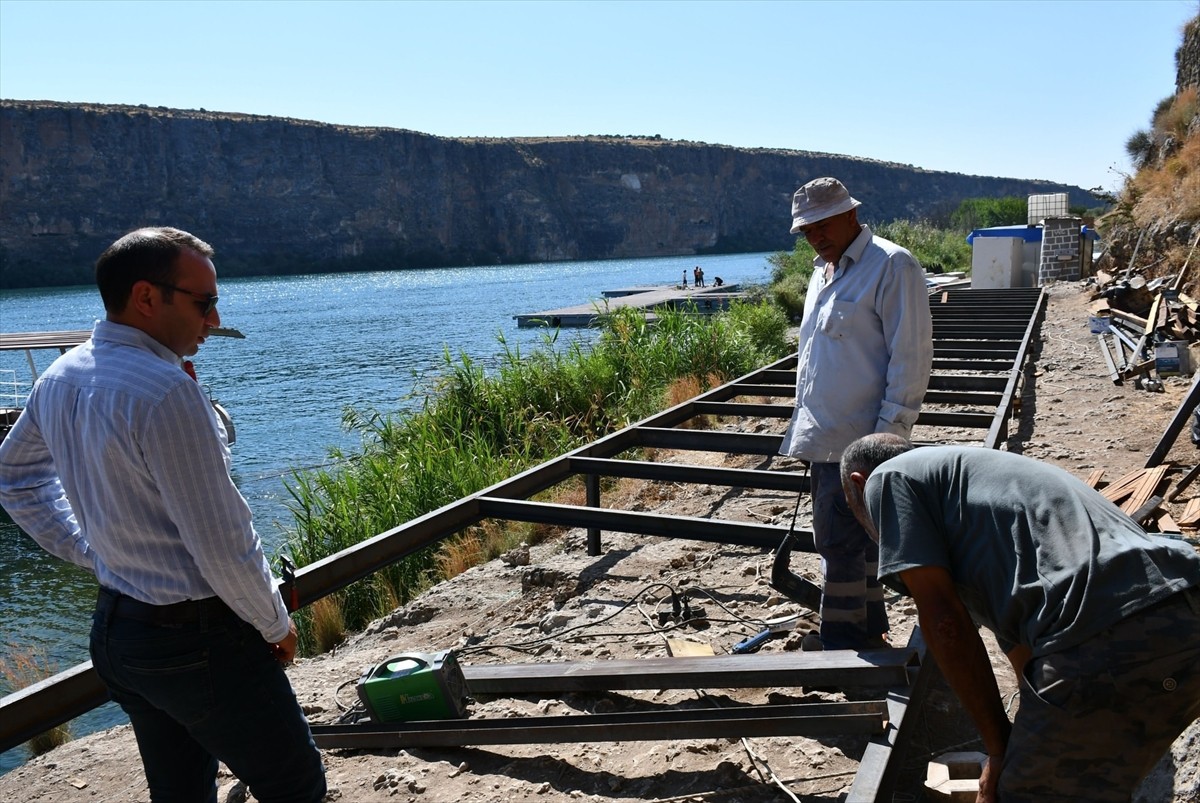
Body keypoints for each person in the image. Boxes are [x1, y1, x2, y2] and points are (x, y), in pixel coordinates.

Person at [0, 227, 327, 802]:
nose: (216, 319)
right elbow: (223, 541)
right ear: (147, 298)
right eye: (204, 302)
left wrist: (90, 548)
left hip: (118, 636)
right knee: (295, 784)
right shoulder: (164, 390)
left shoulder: (62, 375)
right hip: (196, 639)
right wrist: (274, 623)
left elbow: (14, 477)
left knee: (179, 790)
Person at [841, 433, 1200, 802]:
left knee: (1023, 793)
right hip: (1185, 611)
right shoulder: (974, 490)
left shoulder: (886, 478)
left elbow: (944, 622)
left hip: (1107, 632)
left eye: (858, 516)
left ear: (858, 485)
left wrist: (998, 751)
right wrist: (1018, 744)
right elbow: (1021, 650)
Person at [777, 177, 932, 651]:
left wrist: (888, 439)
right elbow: (815, 360)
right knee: (856, 542)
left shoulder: (891, 265)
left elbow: (911, 356)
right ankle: (868, 632)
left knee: (838, 544)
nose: (816, 236)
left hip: (863, 440)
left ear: (851, 215)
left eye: (823, 225)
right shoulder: (820, 275)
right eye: (807, 230)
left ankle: (842, 648)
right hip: (822, 435)